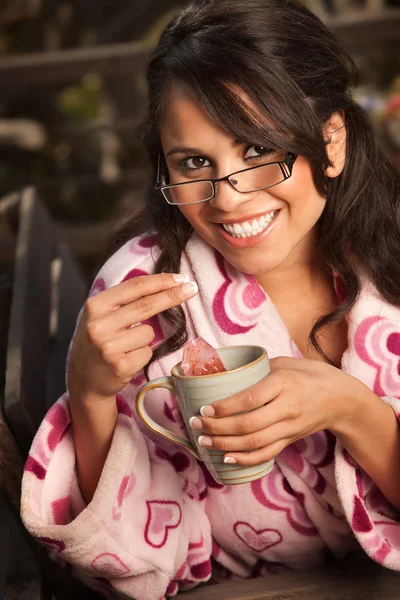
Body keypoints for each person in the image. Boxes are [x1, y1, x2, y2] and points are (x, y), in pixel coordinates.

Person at [21, 1, 400, 599]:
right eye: (195, 163)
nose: (228, 198)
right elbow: (119, 555)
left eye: (256, 151)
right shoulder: (144, 291)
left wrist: (354, 411)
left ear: (332, 142)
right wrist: (90, 392)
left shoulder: (391, 262)